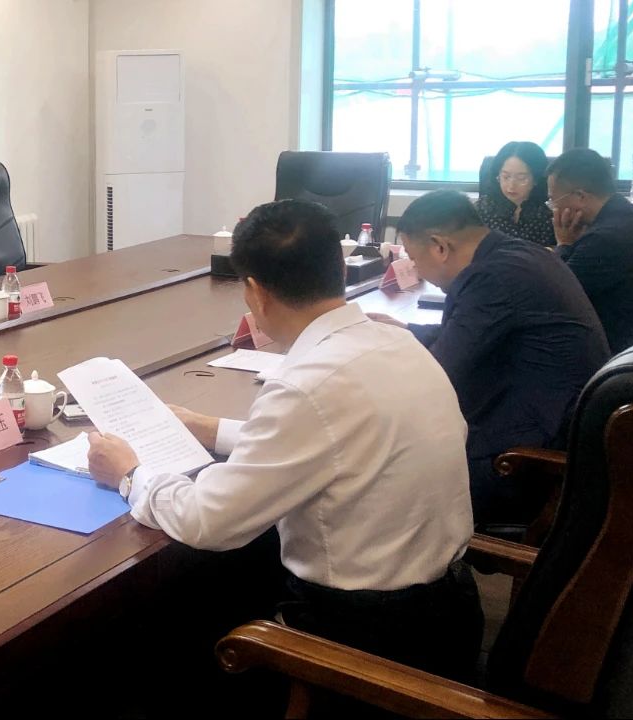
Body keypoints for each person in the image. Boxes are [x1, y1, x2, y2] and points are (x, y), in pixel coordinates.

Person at [86, 199, 482, 679]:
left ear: (255, 292)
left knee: (179, 592)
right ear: (340, 268)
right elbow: (331, 441)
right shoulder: (396, 343)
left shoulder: (306, 385)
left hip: (365, 639)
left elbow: (206, 521)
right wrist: (211, 428)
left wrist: (129, 474)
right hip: (450, 611)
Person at [371, 191, 610, 527]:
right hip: (562, 435)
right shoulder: (518, 254)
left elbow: (437, 376)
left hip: (523, 461)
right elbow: (469, 332)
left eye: (413, 257)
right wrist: (407, 330)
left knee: (374, 475)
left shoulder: (490, 278)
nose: (416, 269)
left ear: (440, 247)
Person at [547, 148, 633, 354]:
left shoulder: (605, 238)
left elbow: (555, 295)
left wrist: (564, 244)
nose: (552, 208)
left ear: (580, 196)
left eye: (553, 200)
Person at [475, 141, 556, 247]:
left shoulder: (547, 214)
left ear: (536, 179)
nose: (511, 186)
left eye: (521, 178)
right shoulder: (482, 209)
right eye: (506, 177)